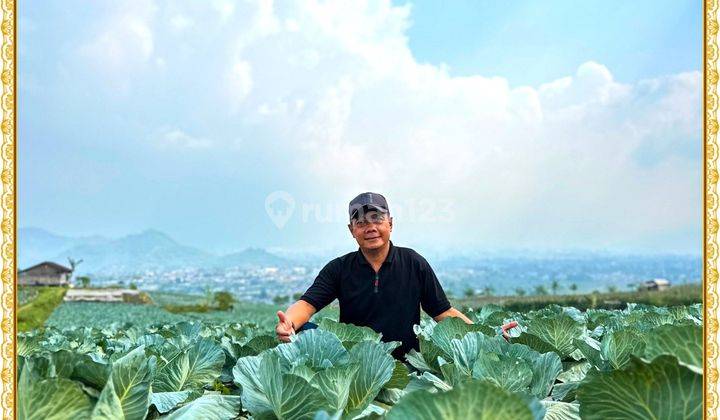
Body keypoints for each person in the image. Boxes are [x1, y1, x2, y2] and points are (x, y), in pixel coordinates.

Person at [275, 192, 473, 360]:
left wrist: (490, 335)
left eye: (377, 219)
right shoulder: (339, 268)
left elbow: (443, 312)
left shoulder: (413, 262)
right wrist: (289, 323)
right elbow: (307, 305)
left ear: (390, 224)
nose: (370, 228)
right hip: (355, 361)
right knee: (304, 329)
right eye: (360, 222)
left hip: (404, 362)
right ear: (351, 230)